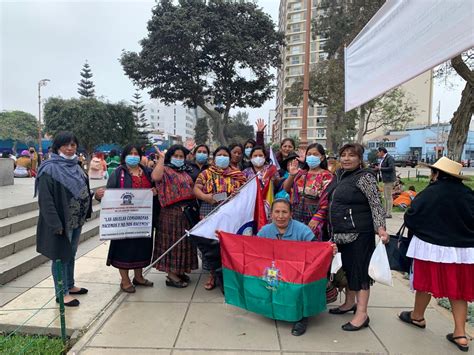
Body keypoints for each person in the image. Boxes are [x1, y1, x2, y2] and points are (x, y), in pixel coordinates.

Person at [399, 157, 473, 352]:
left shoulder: (430, 193)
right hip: (462, 251)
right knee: (458, 290)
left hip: (430, 247)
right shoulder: (468, 194)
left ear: (437, 174)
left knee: (424, 284)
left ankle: (417, 316)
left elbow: (412, 217)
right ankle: (460, 333)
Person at [327, 143, 389, 331]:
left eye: (351, 155)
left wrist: (381, 228)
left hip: (359, 233)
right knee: (346, 271)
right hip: (339, 232)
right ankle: (349, 303)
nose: (346, 158)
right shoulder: (338, 175)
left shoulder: (365, 178)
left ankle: (362, 314)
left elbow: (376, 204)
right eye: (343, 155)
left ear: (359, 159)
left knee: (360, 273)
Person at [35, 131, 99, 307]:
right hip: (61, 223)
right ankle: (61, 293)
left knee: (71, 254)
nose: (70, 148)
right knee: (60, 256)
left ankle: (70, 285)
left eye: (73, 145)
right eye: (66, 145)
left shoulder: (76, 166)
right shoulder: (49, 169)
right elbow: (45, 201)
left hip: (76, 220)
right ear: (57, 147)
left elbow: (80, 191)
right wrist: (55, 224)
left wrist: (94, 197)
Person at [257, 198, 337, 336]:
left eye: (284, 212)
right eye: (277, 212)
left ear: (291, 214)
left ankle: (301, 318)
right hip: (275, 271)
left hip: (297, 273)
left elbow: (316, 250)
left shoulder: (302, 230)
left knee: (302, 283)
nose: (280, 216)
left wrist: (329, 249)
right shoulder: (265, 231)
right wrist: (225, 238)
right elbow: (251, 249)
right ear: (271, 214)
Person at [193, 146, 246, 290]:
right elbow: (196, 189)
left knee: (227, 244)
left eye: (225, 155)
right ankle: (212, 274)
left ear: (230, 158)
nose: (222, 157)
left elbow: (245, 193)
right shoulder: (206, 174)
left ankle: (228, 275)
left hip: (230, 213)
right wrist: (205, 196)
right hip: (209, 210)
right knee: (210, 242)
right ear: (214, 157)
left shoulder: (238, 174)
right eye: (219, 155)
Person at [104, 144, 156, 293]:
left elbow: (155, 185)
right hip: (124, 220)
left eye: (136, 153)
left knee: (141, 247)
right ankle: (125, 280)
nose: (134, 156)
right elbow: (110, 194)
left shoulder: (146, 172)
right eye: (130, 153)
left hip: (143, 219)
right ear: (124, 156)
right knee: (124, 249)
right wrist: (100, 195)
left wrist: (154, 191)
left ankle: (138, 277)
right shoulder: (118, 173)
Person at [151, 145, 199, 288]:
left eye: (181, 156)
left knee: (183, 244)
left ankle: (179, 271)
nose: (178, 159)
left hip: (185, 214)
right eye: (176, 156)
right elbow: (155, 177)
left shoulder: (184, 171)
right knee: (171, 244)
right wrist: (161, 159)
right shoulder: (165, 170)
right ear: (170, 156)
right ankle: (171, 275)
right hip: (170, 214)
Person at [283, 143, 333, 241]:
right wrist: (292, 175)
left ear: (322, 157)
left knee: (311, 245)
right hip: (296, 215)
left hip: (315, 216)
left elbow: (327, 200)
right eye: (309, 154)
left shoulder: (327, 176)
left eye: (315, 154)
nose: (311, 157)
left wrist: (317, 218)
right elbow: (286, 188)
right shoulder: (301, 173)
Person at [374, 147, 396, 218]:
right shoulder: (384, 158)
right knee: (386, 197)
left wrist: (380, 168)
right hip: (386, 180)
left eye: (378, 152)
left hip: (389, 180)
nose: (378, 154)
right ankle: (386, 212)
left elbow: (391, 168)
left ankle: (389, 213)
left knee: (389, 197)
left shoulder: (389, 158)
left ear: (382, 152)